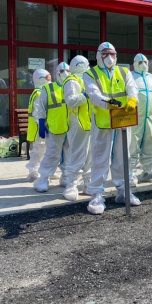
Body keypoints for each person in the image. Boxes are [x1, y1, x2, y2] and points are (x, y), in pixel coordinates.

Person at [83, 42, 141, 215]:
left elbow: (132, 87)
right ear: (98, 55)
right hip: (102, 123)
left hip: (123, 120)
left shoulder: (124, 72)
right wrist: (107, 103)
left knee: (123, 157)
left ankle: (123, 191)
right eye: (105, 54)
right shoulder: (90, 74)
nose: (109, 58)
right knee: (100, 158)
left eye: (112, 54)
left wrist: (132, 100)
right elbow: (93, 94)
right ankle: (96, 195)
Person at [33, 63, 70, 192]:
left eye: (67, 70)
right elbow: (41, 108)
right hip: (55, 127)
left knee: (69, 154)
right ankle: (43, 178)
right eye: (62, 71)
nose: (65, 73)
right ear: (56, 73)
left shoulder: (73, 86)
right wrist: (41, 124)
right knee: (52, 154)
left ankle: (66, 176)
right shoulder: (48, 89)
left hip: (72, 128)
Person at [61, 56, 92, 201]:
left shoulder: (89, 79)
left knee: (90, 155)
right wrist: (85, 96)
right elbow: (71, 101)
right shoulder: (71, 81)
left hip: (90, 123)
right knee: (77, 154)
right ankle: (71, 184)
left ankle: (88, 183)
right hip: (77, 123)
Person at [129, 53, 152, 186]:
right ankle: (130, 174)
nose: (143, 65)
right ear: (135, 63)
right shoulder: (130, 77)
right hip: (136, 117)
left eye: (145, 62)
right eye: (140, 62)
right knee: (133, 145)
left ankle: (147, 172)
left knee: (150, 144)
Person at [25, 69, 51, 181]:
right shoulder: (39, 93)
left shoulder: (40, 92)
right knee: (38, 151)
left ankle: (43, 171)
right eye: (48, 78)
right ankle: (33, 171)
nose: (49, 80)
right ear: (41, 79)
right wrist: (41, 126)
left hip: (40, 127)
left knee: (44, 151)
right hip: (39, 128)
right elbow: (37, 113)